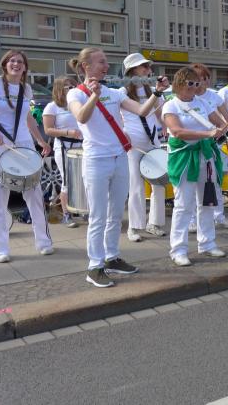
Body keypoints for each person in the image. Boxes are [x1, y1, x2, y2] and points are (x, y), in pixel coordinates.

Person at [67, 47, 168, 288]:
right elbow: (81, 117)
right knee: (98, 216)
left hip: (119, 157)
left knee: (115, 213)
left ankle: (111, 257)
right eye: (101, 62)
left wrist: (157, 92)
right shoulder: (76, 94)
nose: (106, 66)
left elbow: (142, 111)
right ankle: (94, 266)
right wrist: (94, 96)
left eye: (106, 62)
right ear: (86, 66)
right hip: (96, 160)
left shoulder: (113, 93)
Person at [0, 50, 54, 263]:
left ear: (25, 67)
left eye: (20, 61)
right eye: (12, 61)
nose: (16, 64)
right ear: (5, 64)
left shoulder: (26, 88)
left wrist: (40, 141)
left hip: (24, 148)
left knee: (35, 196)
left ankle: (44, 242)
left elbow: (27, 118)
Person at [161, 67, 228, 266]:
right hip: (183, 158)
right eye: (190, 83)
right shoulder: (170, 105)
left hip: (205, 155)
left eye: (197, 83)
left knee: (207, 201)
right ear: (179, 84)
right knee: (183, 205)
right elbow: (177, 131)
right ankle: (178, 250)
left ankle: (207, 243)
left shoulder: (202, 102)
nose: (194, 87)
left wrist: (227, 127)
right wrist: (207, 134)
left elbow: (219, 123)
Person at [120, 53, 167, 242]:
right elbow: (121, 116)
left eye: (148, 66)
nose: (149, 70)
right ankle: (134, 226)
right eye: (144, 66)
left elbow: (160, 115)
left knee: (159, 183)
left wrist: (166, 128)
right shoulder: (123, 92)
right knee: (136, 186)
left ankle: (154, 223)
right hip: (134, 145)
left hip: (153, 141)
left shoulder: (153, 91)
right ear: (133, 70)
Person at [189, 63, 228, 231]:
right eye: (202, 78)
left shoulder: (213, 97)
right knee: (193, 183)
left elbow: (227, 118)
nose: (205, 81)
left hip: (213, 144)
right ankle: (192, 219)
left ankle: (219, 216)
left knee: (214, 181)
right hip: (193, 145)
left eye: (207, 77)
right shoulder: (187, 99)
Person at [42, 76, 82, 229]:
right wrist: (67, 132)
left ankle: (82, 209)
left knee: (85, 179)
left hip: (83, 145)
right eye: (68, 87)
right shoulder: (52, 107)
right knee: (67, 181)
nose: (72, 89)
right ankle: (66, 214)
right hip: (65, 146)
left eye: (73, 86)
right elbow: (48, 130)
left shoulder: (77, 104)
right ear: (59, 89)